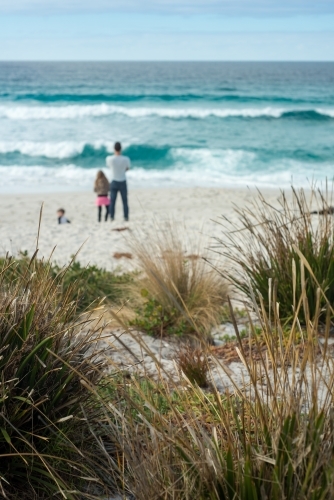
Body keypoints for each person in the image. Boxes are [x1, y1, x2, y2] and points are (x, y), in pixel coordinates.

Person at [106, 142, 130, 221]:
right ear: (121, 148)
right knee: (124, 201)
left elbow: (109, 167)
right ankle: (126, 217)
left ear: (114, 149)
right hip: (122, 180)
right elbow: (127, 168)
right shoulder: (126, 159)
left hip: (113, 180)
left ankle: (112, 217)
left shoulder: (109, 159)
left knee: (112, 201)